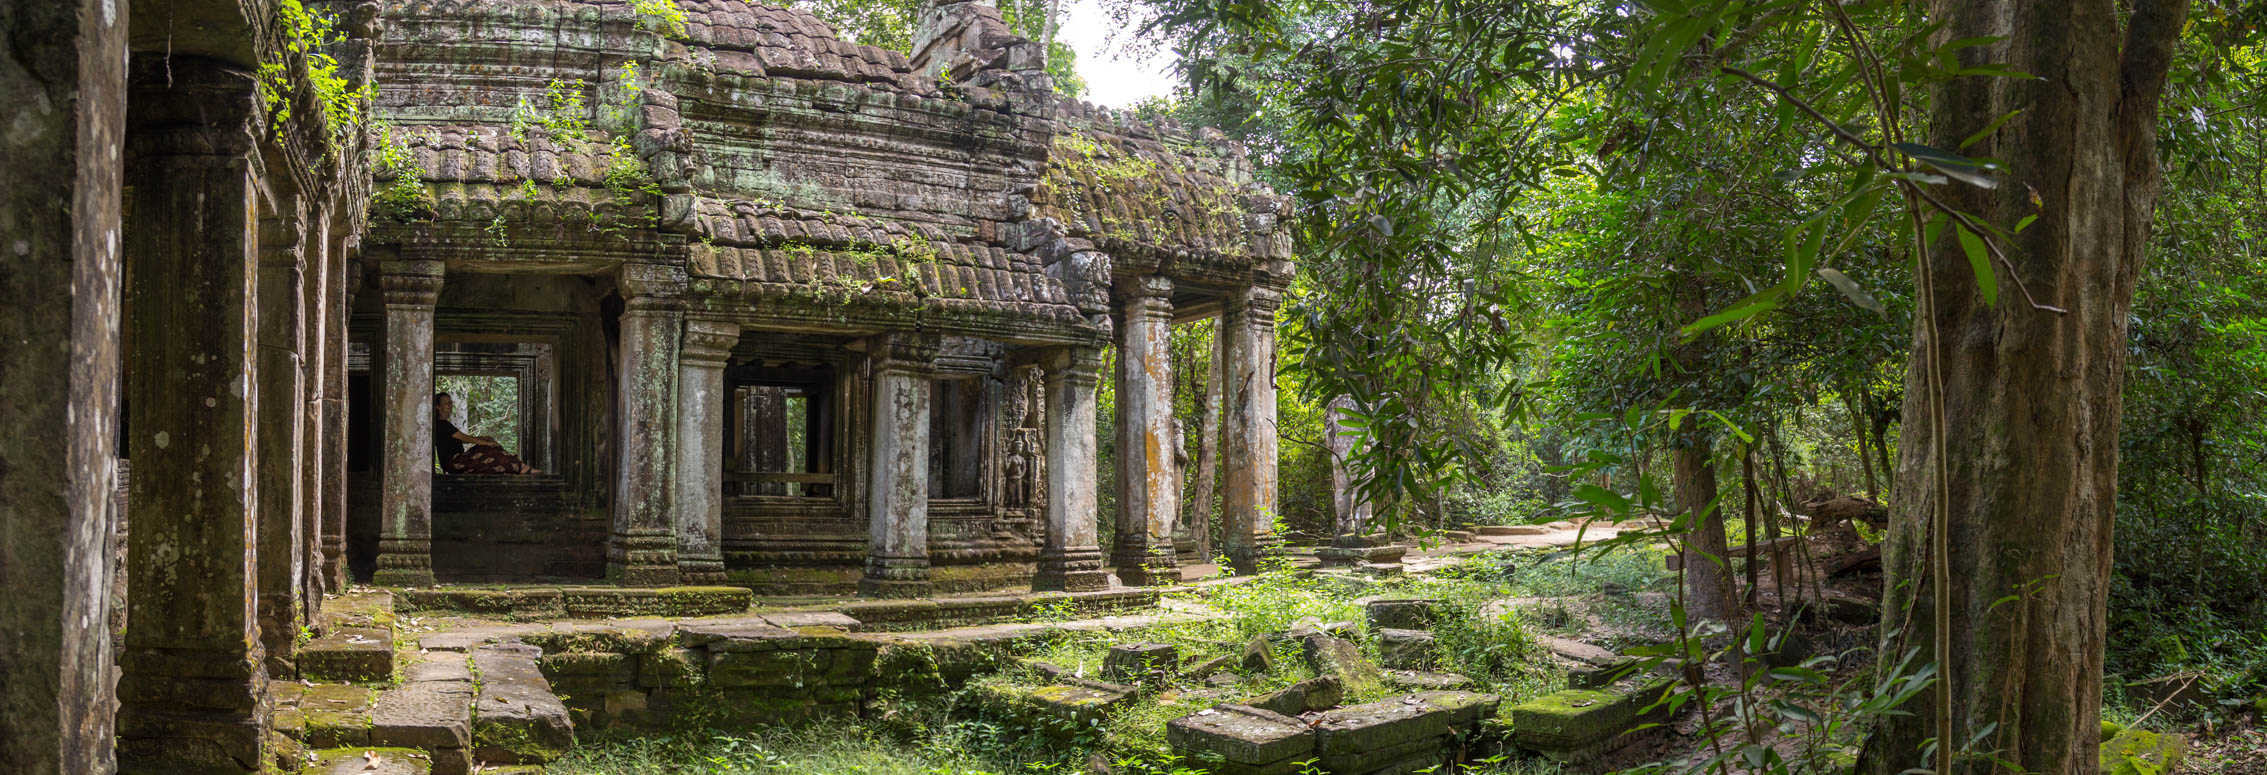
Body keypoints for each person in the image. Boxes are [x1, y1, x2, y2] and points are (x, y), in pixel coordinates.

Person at [434, 392, 540, 474]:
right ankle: (521, 467)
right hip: (454, 463)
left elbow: (460, 438)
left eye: (450, 402)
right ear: (438, 407)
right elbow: (465, 438)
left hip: (459, 459)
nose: (449, 405)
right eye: (446, 403)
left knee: (489, 444)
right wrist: (486, 443)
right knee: (489, 449)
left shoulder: (444, 424)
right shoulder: (442, 425)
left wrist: (484, 439)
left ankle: (519, 466)